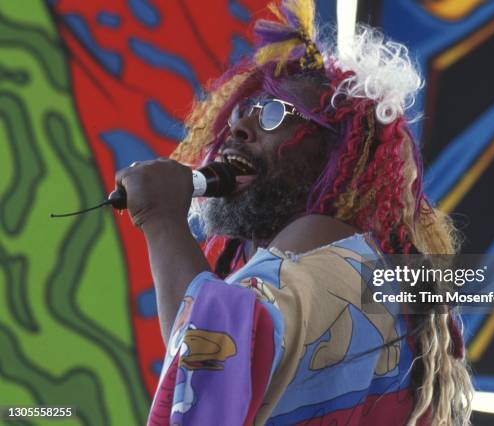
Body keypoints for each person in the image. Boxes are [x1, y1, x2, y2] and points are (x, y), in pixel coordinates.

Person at [116, 0, 473, 424]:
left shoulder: (320, 237)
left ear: (339, 154)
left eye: (274, 114)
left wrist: (160, 218)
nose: (239, 128)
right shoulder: (357, 266)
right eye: (241, 113)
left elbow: (211, 358)